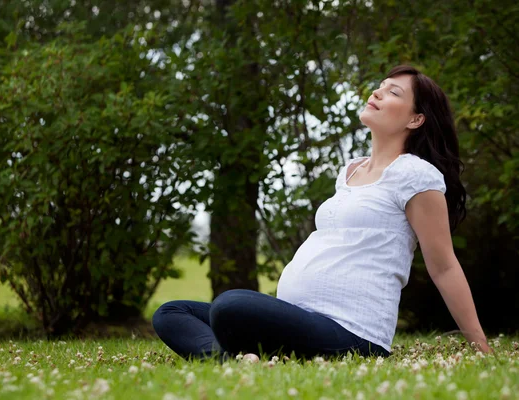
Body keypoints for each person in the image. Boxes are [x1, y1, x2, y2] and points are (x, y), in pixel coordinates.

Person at [152, 65, 493, 362]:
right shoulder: (350, 171)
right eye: (380, 85)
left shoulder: (416, 175)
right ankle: (236, 362)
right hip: (299, 319)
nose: (377, 91)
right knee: (171, 312)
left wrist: (481, 347)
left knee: (229, 305)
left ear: (416, 118)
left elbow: (444, 265)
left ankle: (238, 353)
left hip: (352, 333)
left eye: (393, 92)